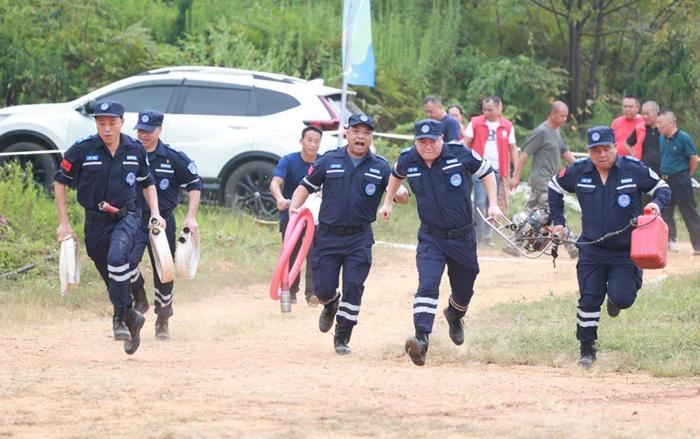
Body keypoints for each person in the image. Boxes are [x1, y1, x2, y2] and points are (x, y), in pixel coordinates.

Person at [379, 119, 502, 367]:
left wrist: (493, 203)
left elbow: (487, 172)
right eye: (422, 141)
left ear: (441, 139)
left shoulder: (459, 154)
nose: (427, 146)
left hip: (462, 237)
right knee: (427, 284)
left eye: (432, 141)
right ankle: (421, 338)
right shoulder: (408, 159)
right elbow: (395, 175)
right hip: (430, 237)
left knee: (464, 288)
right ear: (416, 141)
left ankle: (455, 315)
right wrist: (388, 201)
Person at [548, 126, 670, 367]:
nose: (601, 155)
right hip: (592, 249)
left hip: (626, 251)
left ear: (616, 147)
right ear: (589, 152)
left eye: (606, 149)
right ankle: (587, 350)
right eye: (595, 151)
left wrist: (655, 206)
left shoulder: (633, 169)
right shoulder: (579, 171)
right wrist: (559, 222)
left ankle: (615, 299)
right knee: (589, 299)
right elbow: (554, 186)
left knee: (623, 298)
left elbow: (662, 188)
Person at [288, 114, 409, 355]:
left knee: (354, 286)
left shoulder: (381, 166)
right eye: (356, 131)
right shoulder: (328, 160)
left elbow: (398, 189)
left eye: (366, 132)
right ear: (347, 133)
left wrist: (400, 195)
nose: (361, 136)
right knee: (322, 289)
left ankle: (342, 336)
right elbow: (305, 185)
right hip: (328, 236)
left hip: (359, 238)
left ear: (371, 137)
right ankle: (330, 303)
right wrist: (294, 209)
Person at [54, 101, 163, 355]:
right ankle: (131, 316)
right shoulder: (82, 149)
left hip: (126, 217)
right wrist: (64, 223)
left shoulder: (134, 149)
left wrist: (155, 214)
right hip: (94, 222)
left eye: (112, 123)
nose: (107, 129)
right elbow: (60, 182)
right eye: (101, 123)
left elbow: (148, 183)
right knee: (111, 274)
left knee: (117, 259)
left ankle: (119, 320)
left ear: (122, 123)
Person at [128, 110, 202, 340]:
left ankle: (163, 318)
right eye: (140, 130)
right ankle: (139, 299)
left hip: (162, 222)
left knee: (165, 272)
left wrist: (191, 216)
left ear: (160, 130)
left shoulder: (173, 158)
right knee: (125, 263)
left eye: (149, 131)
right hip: (132, 218)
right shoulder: (128, 155)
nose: (144, 135)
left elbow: (195, 185)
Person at [269, 126, 321, 306]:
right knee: (291, 253)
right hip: (292, 215)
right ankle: (289, 290)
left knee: (315, 254)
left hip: (316, 217)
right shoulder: (289, 161)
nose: (312, 144)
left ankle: (313, 294)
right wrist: (280, 198)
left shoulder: (323, 162)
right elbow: (275, 182)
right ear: (301, 141)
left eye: (316, 141)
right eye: (309, 140)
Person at [465, 96, 516, 245]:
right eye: (484, 109)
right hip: (479, 169)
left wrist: (514, 172)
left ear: (499, 108)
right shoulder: (475, 122)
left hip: (498, 170)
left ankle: (487, 236)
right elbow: (466, 143)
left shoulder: (507, 125)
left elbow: (513, 148)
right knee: (479, 202)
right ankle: (477, 235)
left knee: (492, 204)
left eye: (490, 109)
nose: (486, 112)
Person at [509, 101, 575, 208]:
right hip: (542, 183)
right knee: (549, 214)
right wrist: (516, 176)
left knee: (533, 217)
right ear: (553, 114)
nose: (565, 119)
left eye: (566, 116)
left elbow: (564, 151)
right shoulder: (542, 131)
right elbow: (524, 154)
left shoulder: (557, 131)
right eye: (562, 116)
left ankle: (520, 223)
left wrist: (581, 165)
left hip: (551, 181)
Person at [657, 111, 700, 253]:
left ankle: (698, 245)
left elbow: (693, 158)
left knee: (689, 212)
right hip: (666, 179)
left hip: (681, 179)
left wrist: (687, 174)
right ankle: (671, 241)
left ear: (671, 123)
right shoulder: (662, 138)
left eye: (661, 123)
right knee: (666, 212)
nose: (659, 126)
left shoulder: (684, 138)